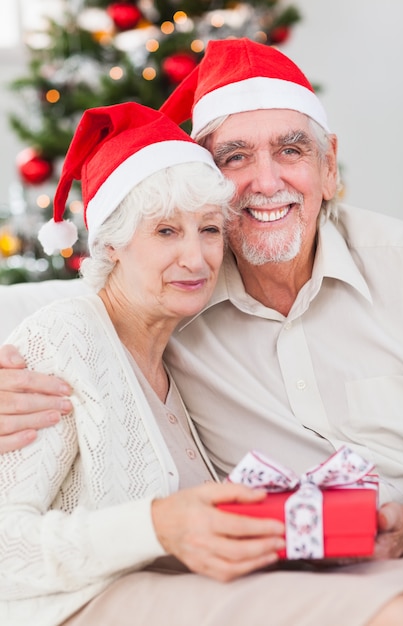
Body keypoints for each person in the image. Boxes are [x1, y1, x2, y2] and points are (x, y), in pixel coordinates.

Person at [1, 38, 403, 625]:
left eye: (291, 150)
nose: (266, 182)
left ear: (329, 167)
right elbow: (71, 324)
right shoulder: (126, 314)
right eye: (236, 157)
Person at [0, 101, 291, 625]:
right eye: (165, 232)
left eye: (208, 230)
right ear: (110, 241)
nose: (196, 259)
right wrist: (155, 524)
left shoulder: (180, 349)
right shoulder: (64, 337)